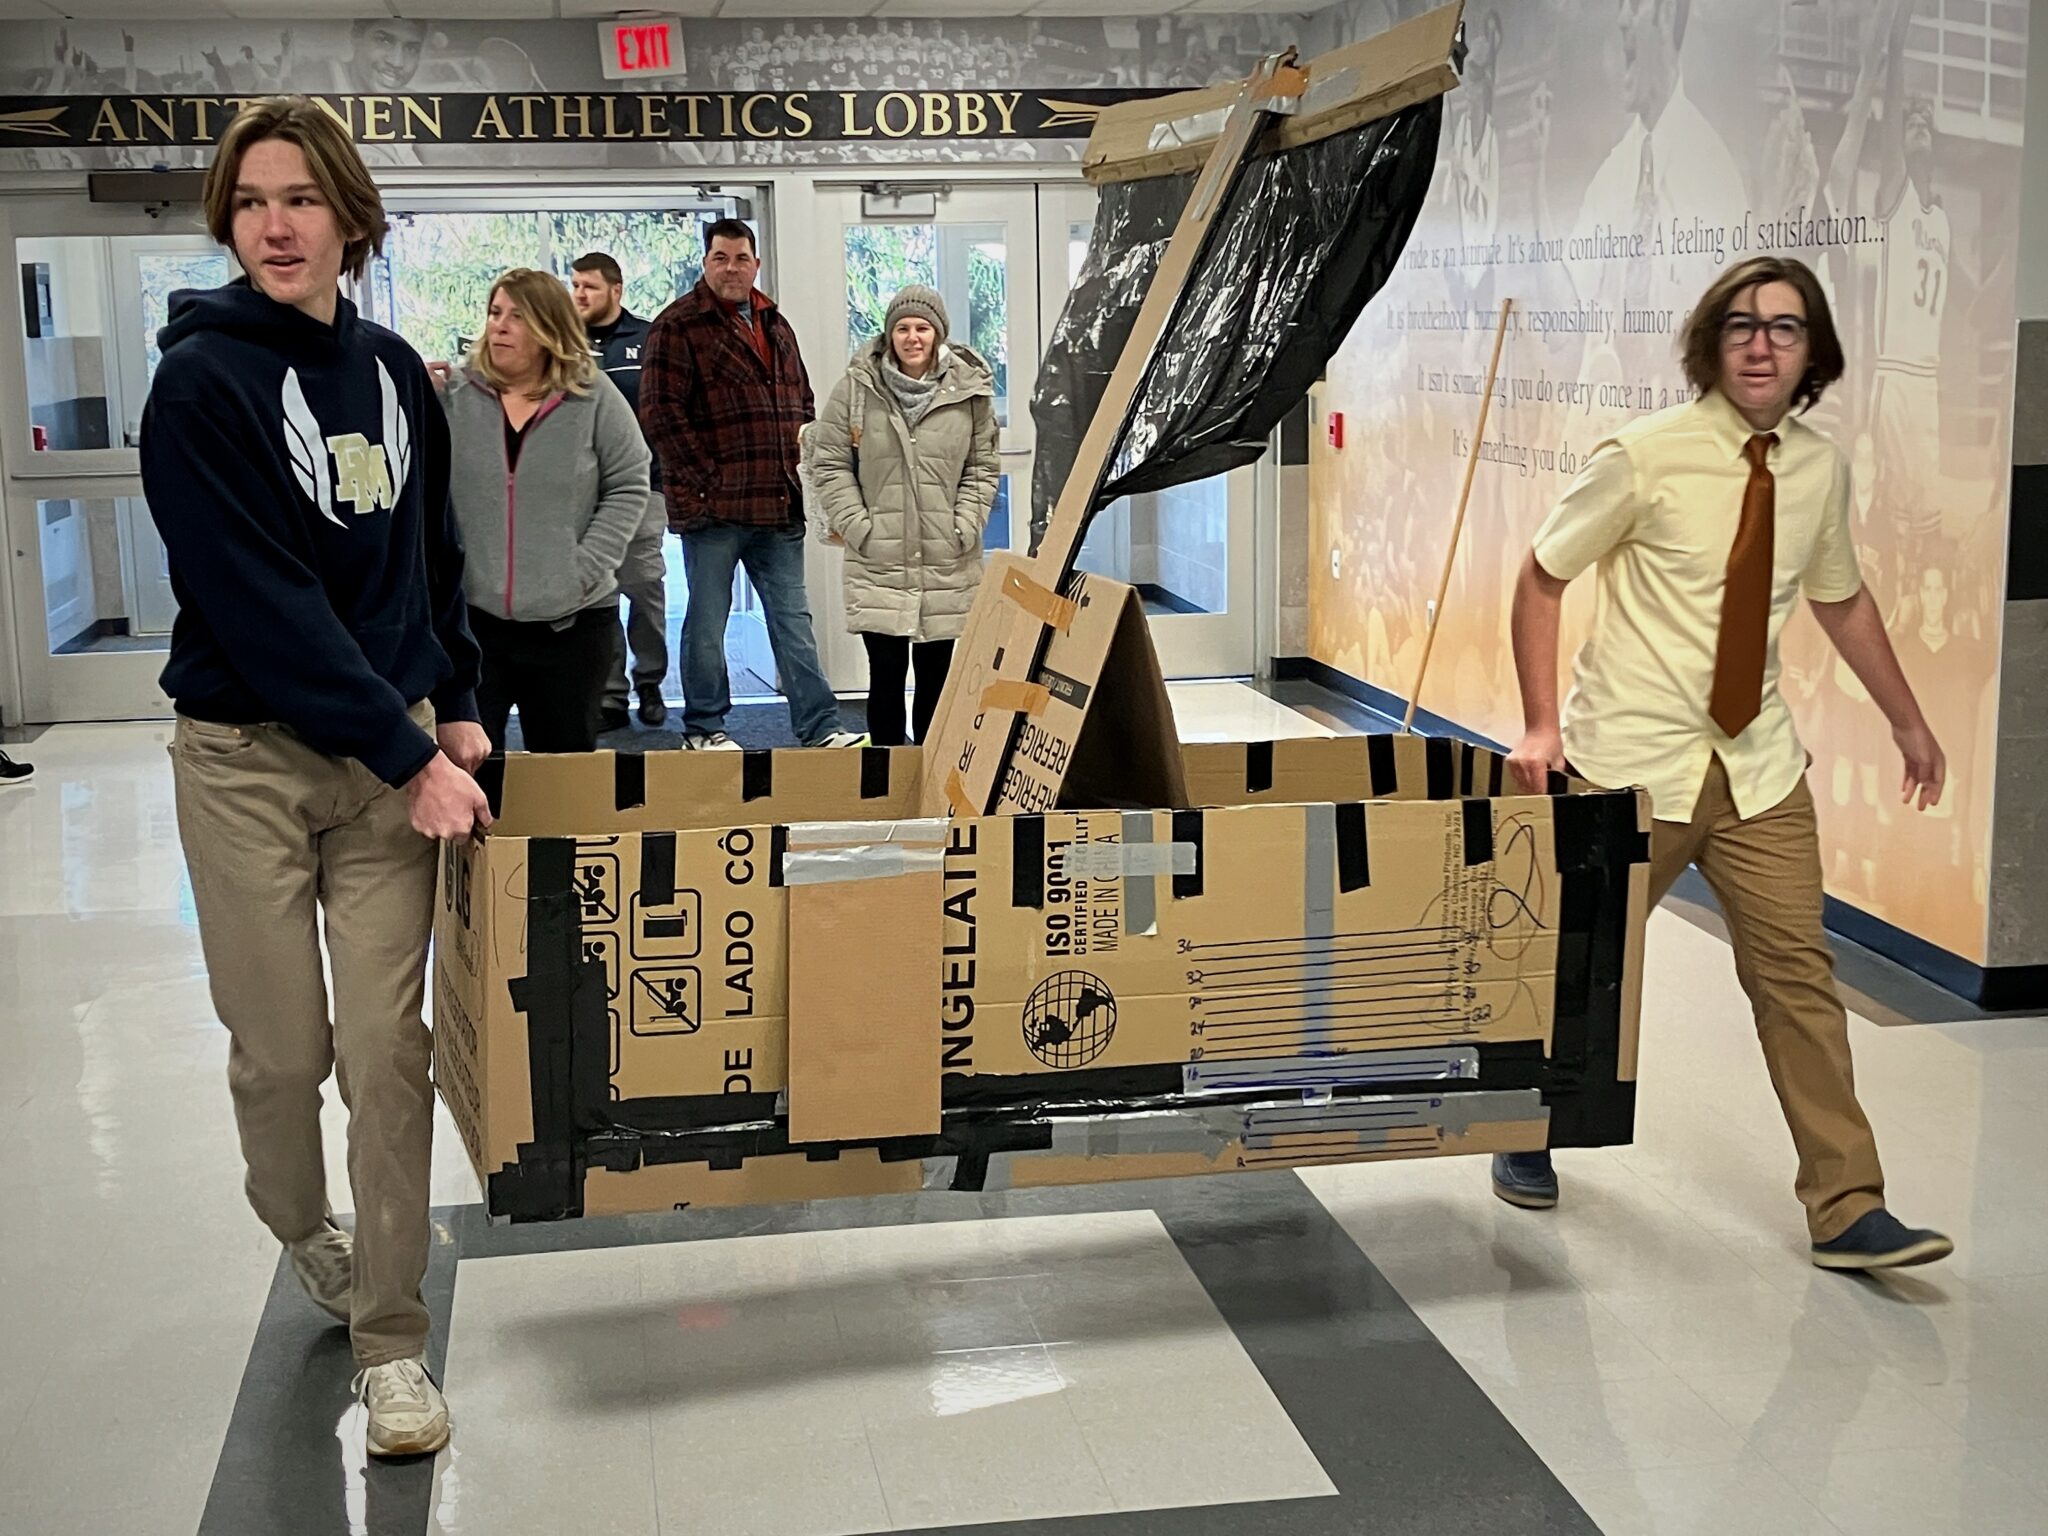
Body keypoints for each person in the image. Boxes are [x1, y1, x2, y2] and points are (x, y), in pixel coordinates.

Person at [137, 97, 489, 1456]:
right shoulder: (200, 385)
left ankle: (393, 1343)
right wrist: (408, 750)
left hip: (384, 761)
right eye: (249, 201)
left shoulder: (399, 374)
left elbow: (430, 566)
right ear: (229, 222)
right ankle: (302, 1226)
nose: (276, 223)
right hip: (246, 763)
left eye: (300, 196)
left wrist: (450, 705)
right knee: (285, 1059)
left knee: (388, 1057)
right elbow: (258, 601)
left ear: (351, 214)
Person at [1491, 255, 1952, 1271]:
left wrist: (1906, 722)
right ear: (1709, 344)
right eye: (1741, 324)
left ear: (1809, 357)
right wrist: (1536, 726)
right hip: (1628, 767)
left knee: (1796, 978)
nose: (1759, 343)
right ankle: (1526, 1126)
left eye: (1784, 329)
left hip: (1756, 771)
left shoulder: (1816, 471)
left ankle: (1846, 1205)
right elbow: (1538, 577)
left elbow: (1838, 597)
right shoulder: (1641, 456)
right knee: (1582, 965)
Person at [639, 219, 859, 750]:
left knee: (792, 622)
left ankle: (821, 727)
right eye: (720, 258)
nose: (731, 268)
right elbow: (659, 413)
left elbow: (801, 401)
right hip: (713, 511)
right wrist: (706, 480)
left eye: (741, 258)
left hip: (779, 504)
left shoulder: (775, 324)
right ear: (706, 263)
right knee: (708, 624)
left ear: (755, 264)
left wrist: (801, 462)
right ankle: (705, 728)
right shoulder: (678, 326)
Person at [442, 269, 650, 755]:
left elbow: (629, 482)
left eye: (517, 316)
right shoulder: (452, 396)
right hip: (475, 625)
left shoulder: (592, 394)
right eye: (495, 314)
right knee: (470, 769)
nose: (500, 327)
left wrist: (583, 568)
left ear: (549, 327)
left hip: (572, 627)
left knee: (565, 778)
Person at [809, 285, 998, 745]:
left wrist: (965, 523)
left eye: (922, 327)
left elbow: (982, 465)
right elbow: (828, 462)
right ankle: (886, 785)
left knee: (937, 679)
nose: (912, 337)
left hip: (945, 557)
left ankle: (928, 784)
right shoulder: (856, 388)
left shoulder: (970, 391)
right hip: (880, 557)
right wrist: (859, 526)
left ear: (938, 334)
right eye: (903, 328)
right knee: (886, 677)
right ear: (889, 334)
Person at [570, 251, 670, 731]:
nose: (579, 295)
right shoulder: (562, 344)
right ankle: (610, 695)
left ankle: (650, 681)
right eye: (575, 286)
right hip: (582, 496)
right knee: (598, 594)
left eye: (589, 286)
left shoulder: (650, 339)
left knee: (644, 587)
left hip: (643, 486)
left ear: (616, 290)